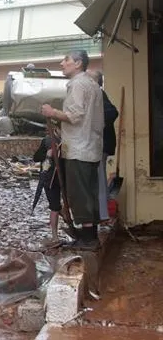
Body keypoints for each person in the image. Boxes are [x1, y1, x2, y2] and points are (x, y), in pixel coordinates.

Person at [41, 50, 103, 249]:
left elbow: (75, 115)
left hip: (79, 148)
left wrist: (52, 112)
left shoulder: (78, 84)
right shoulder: (93, 85)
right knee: (89, 192)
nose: (62, 63)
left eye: (66, 60)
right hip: (91, 146)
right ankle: (89, 235)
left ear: (78, 63)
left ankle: (88, 239)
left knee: (79, 194)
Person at [88, 70, 118, 222]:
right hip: (101, 143)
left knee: (98, 178)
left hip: (100, 144)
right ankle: (103, 212)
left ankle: (101, 214)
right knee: (100, 177)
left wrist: (97, 124)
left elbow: (112, 112)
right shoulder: (96, 94)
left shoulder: (98, 93)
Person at [32, 131, 63, 244]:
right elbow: (36, 157)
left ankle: (65, 218)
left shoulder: (69, 141)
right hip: (50, 179)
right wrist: (47, 154)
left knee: (59, 206)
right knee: (55, 207)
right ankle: (55, 236)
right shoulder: (47, 141)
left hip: (63, 179)